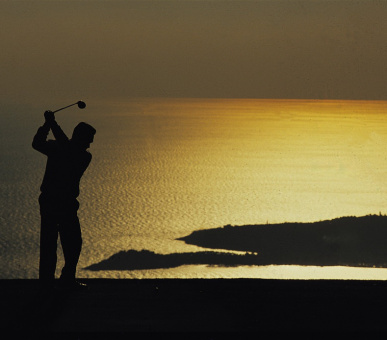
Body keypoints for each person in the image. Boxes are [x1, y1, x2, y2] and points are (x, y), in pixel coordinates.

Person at [32, 110, 96, 290]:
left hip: (63, 203)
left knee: (72, 243)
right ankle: (49, 282)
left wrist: (51, 123)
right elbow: (37, 143)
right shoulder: (62, 148)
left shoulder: (83, 156)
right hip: (54, 202)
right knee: (51, 242)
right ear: (80, 137)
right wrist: (48, 124)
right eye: (89, 139)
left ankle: (63, 279)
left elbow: (67, 149)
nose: (90, 144)